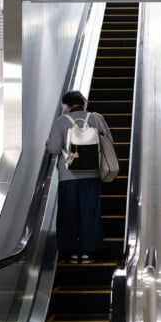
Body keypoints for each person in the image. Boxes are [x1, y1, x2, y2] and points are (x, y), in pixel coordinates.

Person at [46, 90, 113, 263]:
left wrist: (49, 143)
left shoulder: (61, 121)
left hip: (68, 176)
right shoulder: (96, 118)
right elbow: (109, 141)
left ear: (66, 106)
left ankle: (70, 252)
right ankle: (90, 252)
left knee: (68, 213)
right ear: (83, 103)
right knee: (90, 212)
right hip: (92, 174)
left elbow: (53, 149)